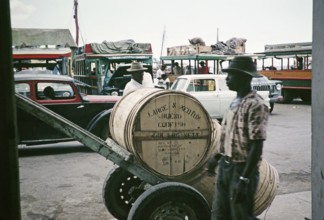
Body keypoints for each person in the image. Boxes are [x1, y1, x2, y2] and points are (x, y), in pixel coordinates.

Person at [207, 56, 269, 220]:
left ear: (244, 77)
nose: (227, 79)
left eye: (231, 75)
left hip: (242, 169)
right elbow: (228, 135)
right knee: (220, 214)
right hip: (226, 166)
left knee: (240, 215)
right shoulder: (235, 101)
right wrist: (217, 157)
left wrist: (244, 179)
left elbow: (257, 146)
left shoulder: (256, 104)